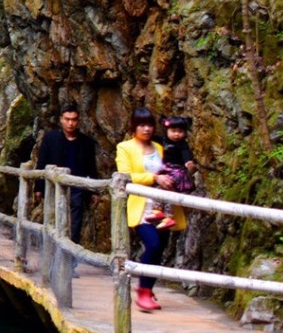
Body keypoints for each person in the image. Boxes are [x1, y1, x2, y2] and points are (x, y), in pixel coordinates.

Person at [115, 107, 187, 312]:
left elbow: (173, 167)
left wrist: (177, 177)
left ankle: (148, 289)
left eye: (149, 125)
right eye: (141, 125)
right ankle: (143, 290)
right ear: (133, 127)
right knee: (153, 244)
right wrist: (155, 178)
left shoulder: (161, 147)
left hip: (164, 206)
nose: (146, 129)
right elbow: (125, 175)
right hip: (142, 207)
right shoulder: (125, 147)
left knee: (160, 249)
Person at [35, 104, 99, 242]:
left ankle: (71, 250)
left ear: (78, 120)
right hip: (54, 186)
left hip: (77, 187)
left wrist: (93, 191)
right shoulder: (50, 138)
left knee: (75, 222)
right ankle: (52, 247)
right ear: (61, 119)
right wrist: (39, 187)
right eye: (67, 119)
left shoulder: (86, 142)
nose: (70, 123)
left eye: (74, 119)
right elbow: (42, 162)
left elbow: (91, 166)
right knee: (54, 219)